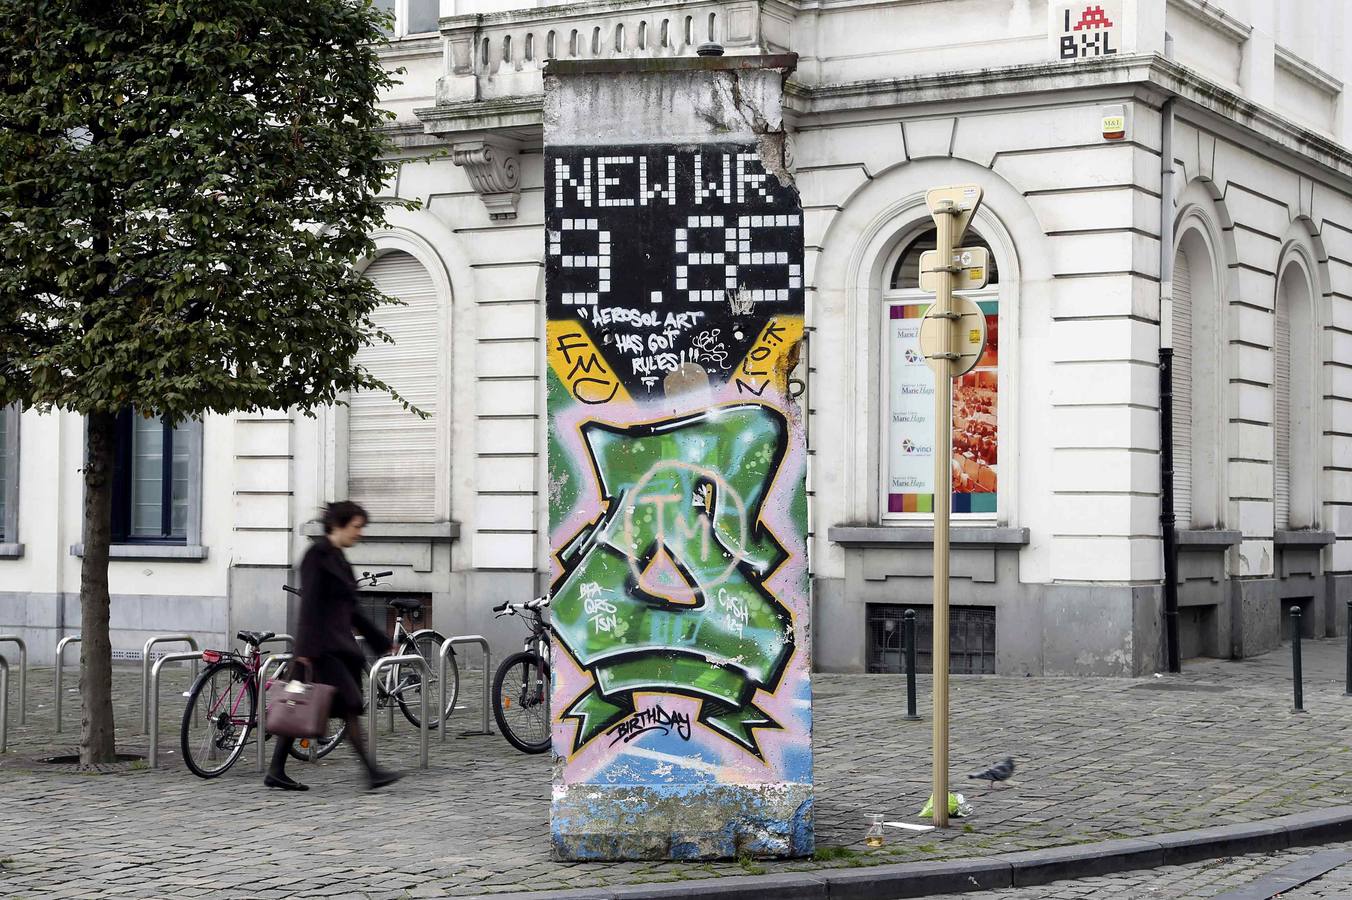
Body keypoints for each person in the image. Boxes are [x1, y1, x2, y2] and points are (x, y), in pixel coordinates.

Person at [264, 501, 401, 791]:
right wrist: (304, 652)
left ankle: (276, 770)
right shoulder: (317, 556)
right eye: (356, 526)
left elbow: (353, 610)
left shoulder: (339, 558)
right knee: (346, 705)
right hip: (319, 649)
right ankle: (371, 772)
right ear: (338, 524)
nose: (360, 533)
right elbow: (309, 607)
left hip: (335, 648)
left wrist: (380, 641)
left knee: (303, 707)